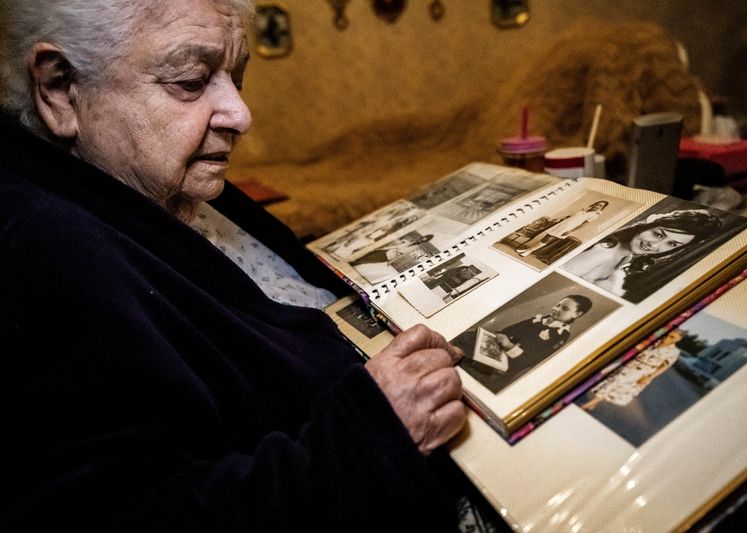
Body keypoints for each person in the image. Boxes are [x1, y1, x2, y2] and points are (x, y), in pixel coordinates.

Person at [0, 1, 470, 531]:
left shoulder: (153, 176)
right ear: (60, 89)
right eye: (190, 80)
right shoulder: (39, 251)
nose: (241, 115)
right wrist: (367, 442)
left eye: (236, 77)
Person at [563, 208, 723, 301]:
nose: (655, 245)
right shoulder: (602, 252)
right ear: (649, 226)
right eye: (658, 234)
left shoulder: (626, 257)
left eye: (672, 244)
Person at [457, 295, 593, 393]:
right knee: (466, 338)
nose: (557, 309)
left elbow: (531, 359)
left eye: (565, 309)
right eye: (558, 305)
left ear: (577, 314)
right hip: (491, 355)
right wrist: (498, 336)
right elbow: (509, 330)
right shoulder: (539, 319)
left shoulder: (561, 335)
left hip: (500, 372)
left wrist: (509, 345)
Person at [579, 328, 686, 410]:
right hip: (630, 365)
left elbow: (664, 366)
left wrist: (650, 377)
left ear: (678, 339)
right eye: (668, 334)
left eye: (672, 337)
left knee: (616, 385)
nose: (667, 337)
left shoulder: (674, 352)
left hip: (643, 372)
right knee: (611, 383)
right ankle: (593, 403)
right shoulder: (654, 341)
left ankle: (588, 405)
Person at [516, 200, 608, 257]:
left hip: (567, 228)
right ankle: (527, 250)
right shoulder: (584, 210)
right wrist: (561, 218)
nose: (597, 205)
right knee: (545, 236)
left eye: (600, 206)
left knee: (547, 239)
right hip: (561, 223)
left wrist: (570, 231)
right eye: (597, 203)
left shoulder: (595, 215)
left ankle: (528, 251)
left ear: (602, 208)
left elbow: (583, 225)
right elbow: (570, 216)